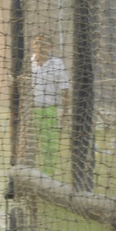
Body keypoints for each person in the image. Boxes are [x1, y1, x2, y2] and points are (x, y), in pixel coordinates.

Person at [31, 35, 70, 175]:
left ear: (50, 46)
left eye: (43, 43)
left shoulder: (57, 64)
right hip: (31, 111)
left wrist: (65, 114)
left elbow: (65, 90)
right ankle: (30, 177)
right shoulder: (29, 63)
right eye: (36, 43)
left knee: (49, 147)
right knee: (31, 147)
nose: (39, 46)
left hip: (49, 110)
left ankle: (47, 176)